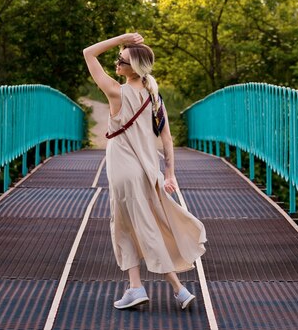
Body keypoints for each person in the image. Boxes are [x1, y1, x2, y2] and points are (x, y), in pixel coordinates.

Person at [83, 32, 207, 310]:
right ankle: (136, 287)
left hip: (124, 172)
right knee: (135, 226)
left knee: (131, 227)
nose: (117, 63)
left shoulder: (116, 91)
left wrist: (120, 40)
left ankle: (176, 289)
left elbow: (88, 53)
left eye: (121, 61)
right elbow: (167, 140)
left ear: (133, 69)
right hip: (148, 172)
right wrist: (170, 173)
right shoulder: (154, 99)